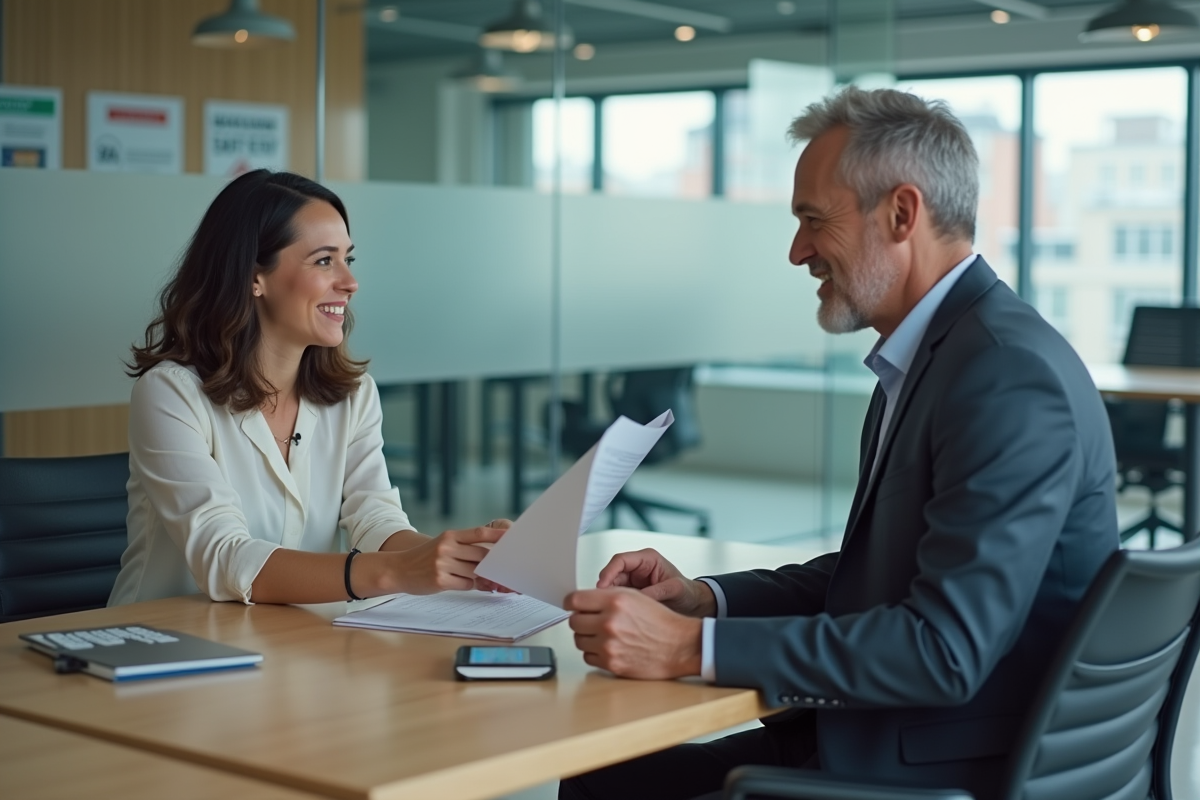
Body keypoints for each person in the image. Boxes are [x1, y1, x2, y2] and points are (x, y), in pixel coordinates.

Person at [560, 87, 1118, 800]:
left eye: (813, 220)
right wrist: (706, 602)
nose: (798, 252)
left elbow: (943, 650)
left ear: (902, 214)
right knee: (606, 781)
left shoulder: (1005, 375)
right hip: (898, 739)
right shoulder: (940, 357)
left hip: (941, 769)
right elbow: (881, 575)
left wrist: (685, 650)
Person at [109, 170, 507, 607]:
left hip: (288, 641)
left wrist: (465, 558)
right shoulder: (171, 394)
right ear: (253, 277)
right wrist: (395, 571)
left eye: (348, 260)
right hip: (160, 650)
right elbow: (223, 557)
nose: (350, 282)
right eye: (323, 261)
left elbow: (375, 520)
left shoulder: (353, 395)